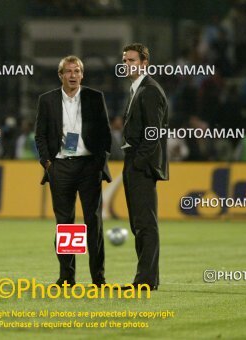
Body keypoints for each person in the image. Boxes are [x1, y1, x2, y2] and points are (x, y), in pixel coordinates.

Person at [35, 55, 111, 286]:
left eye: (77, 71)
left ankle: (98, 278)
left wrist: (99, 164)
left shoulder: (94, 98)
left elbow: (105, 134)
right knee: (66, 224)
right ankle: (67, 277)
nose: (73, 75)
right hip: (61, 166)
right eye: (68, 71)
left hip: (89, 166)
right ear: (60, 75)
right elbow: (40, 135)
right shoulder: (47, 100)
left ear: (82, 74)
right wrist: (48, 163)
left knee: (93, 222)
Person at [120, 43, 169, 291]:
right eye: (125, 60)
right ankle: (149, 278)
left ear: (144, 63)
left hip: (142, 164)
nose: (127, 64)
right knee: (139, 223)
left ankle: (145, 281)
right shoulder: (138, 89)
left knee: (145, 224)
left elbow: (153, 132)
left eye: (132, 60)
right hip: (134, 161)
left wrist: (139, 162)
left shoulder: (149, 90)